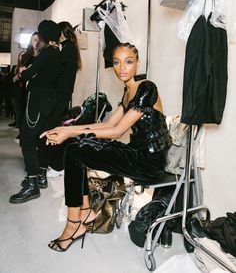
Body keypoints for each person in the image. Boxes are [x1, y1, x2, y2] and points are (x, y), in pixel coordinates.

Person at [40, 42, 172, 252]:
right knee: (76, 147)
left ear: (137, 63)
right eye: (117, 63)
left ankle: (74, 223)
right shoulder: (128, 91)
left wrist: (69, 132)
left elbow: (117, 131)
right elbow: (108, 124)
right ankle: (83, 212)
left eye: (128, 62)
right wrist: (65, 128)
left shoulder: (147, 88)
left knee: (74, 148)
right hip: (136, 154)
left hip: (149, 161)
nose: (122, 68)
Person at [9, 20, 61, 204]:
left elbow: (27, 75)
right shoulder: (56, 53)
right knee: (42, 138)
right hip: (48, 99)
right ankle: (40, 177)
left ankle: (32, 186)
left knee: (27, 140)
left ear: (43, 37)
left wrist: (24, 71)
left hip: (38, 99)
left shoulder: (47, 54)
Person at [39, 21, 82, 180]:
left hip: (61, 93)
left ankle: (57, 166)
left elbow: (59, 69)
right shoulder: (68, 47)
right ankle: (55, 164)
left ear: (62, 32)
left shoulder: (68, 48)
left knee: (55, 128)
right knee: (54, 126)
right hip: (61, 93)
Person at [10, 32, 39, 135]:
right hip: (24, 91)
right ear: (31, 42)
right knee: (22, 114)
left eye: (39, 39)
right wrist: (21, 74)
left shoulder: (44, 56)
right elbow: (21, 73)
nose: (37, 42)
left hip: (37, 91)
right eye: (35, 39)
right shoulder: (27, 57)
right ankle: (23, 133)